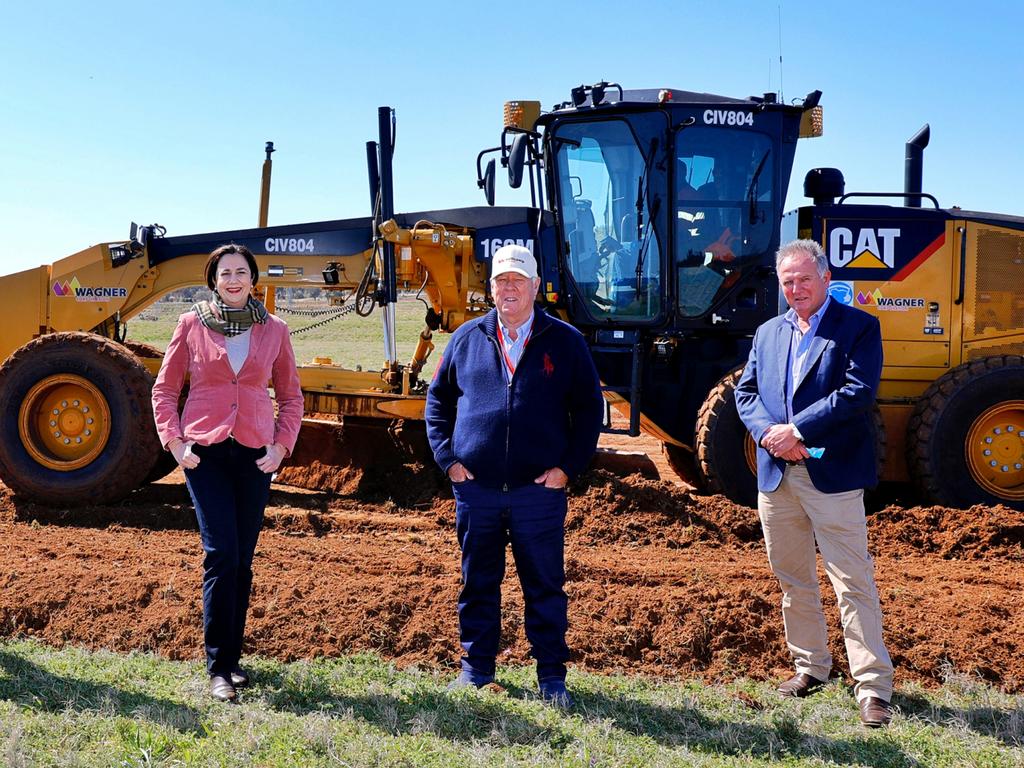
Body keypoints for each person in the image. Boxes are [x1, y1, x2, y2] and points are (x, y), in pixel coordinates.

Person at [425, 244, 603, 707]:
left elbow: (588, 410)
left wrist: (568, 468)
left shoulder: (564, 341)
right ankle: (476, 670)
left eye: (517, 281)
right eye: (501, 280)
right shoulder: (467, 338)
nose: (508, 288)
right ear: (490, 287)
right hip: (477, 489)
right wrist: (450, 461)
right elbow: (438, 402)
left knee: (544, 585)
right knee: (477, 582)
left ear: (535, 287)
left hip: (537, 491)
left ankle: (551, 676)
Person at [734, 239, 895, 728]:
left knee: (852, 581)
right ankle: (811, 668)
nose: (796, 288)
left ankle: (872, 687)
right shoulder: (766, 332)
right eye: (788, 281)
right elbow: (746, 391)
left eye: (805, 278)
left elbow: (857, 392)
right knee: (793, 579)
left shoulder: (859, 328)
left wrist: (797, 431)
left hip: (834, 478)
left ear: (826, 278)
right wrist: (769, 435)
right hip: (778, 477)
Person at [152, 243, 303, 703]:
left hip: (256, 455)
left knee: (242, 559)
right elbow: (164, 389)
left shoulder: (274, 329)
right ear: (213, 280)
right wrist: (175, 443)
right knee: (220, 553)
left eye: (241, 272)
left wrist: (281, 446)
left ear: (253, 279)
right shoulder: (191, 324)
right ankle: (218, 667)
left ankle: (234, 660)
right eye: (224, 273)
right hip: (207, 455)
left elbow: (292, 396)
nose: (233, 279)